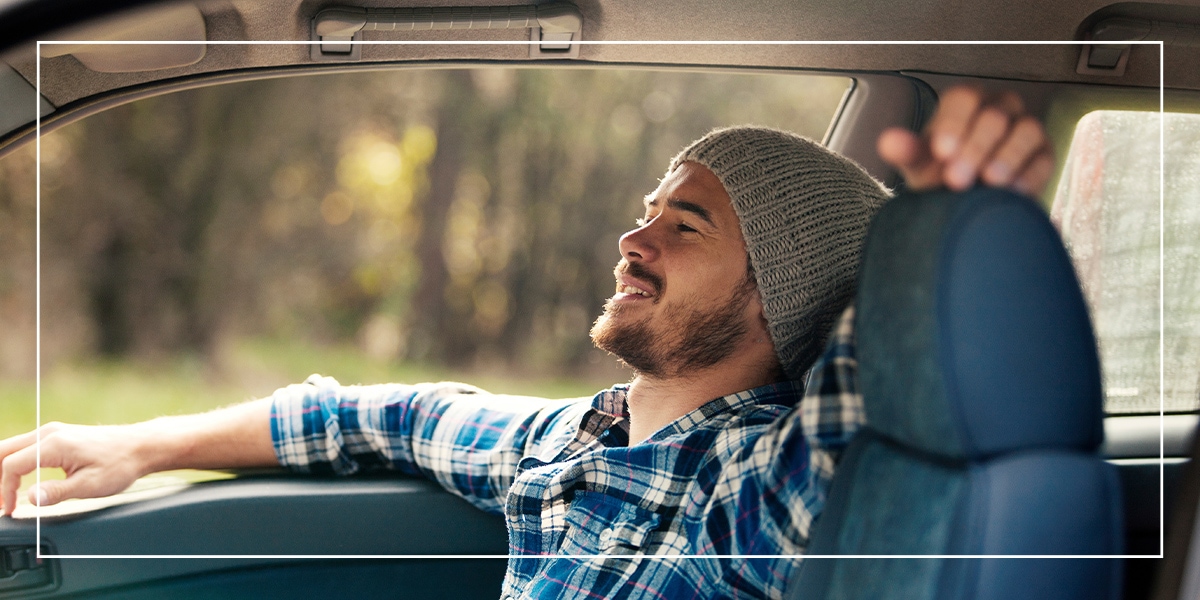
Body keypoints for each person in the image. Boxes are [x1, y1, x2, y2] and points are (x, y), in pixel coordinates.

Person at [0, 86, 1053, 598]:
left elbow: (860, 408)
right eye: (648, 208)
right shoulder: (566, 441)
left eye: (686, 226)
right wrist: (139, 448)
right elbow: (381, 416)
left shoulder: (760, 485)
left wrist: (947, 233)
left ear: (783, 296)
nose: (633, 238)